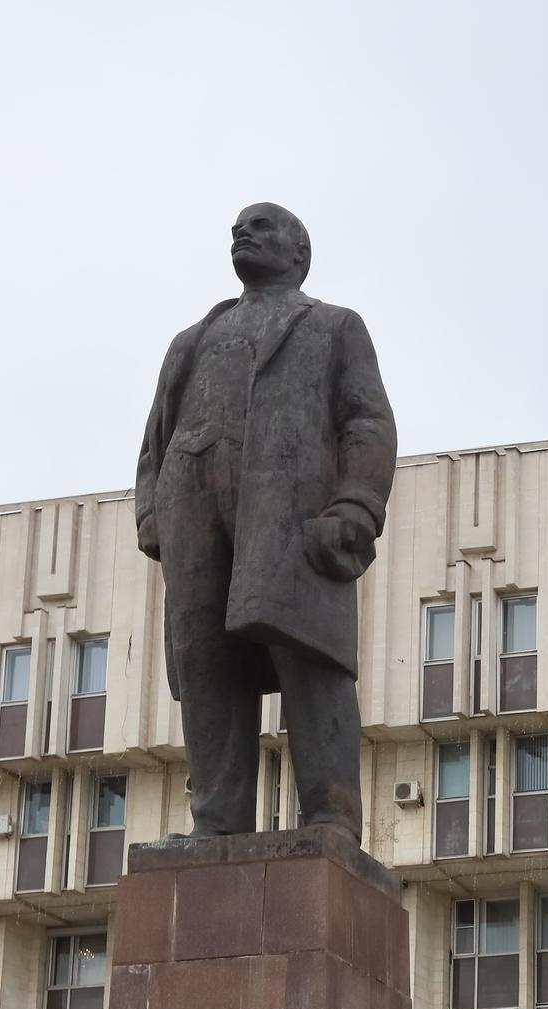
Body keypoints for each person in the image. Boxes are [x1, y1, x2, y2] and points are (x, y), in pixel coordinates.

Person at [133, 202, 397, 837]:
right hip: (194, 515)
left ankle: (330, 815)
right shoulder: (190, 340)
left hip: (287, 516)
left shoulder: (332, 326)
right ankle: (217, 819)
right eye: (237, 229)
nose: (243, 233)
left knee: (307, 655)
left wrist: (356, 503)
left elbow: (367, 419)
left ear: (299, 253)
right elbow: (156, 439)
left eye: (262, 226)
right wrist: (152, 510)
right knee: (206, 665)